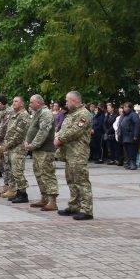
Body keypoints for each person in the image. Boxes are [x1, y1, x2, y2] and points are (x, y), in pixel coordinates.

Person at [55, 91, 93, 220]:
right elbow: (64, 129)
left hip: (78, 153)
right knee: (71, 180)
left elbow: (76, 130)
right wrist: (58, 136)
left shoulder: (84, 114)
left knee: (81, 181)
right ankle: (74, 206)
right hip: (69, 153)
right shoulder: (71, 114)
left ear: (74, 101)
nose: (65, 103)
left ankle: (87, 209)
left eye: (67, 101)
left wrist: (60, 139)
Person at [24, 94, 57, 211]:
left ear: (38, 103)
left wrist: (32, 145)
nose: (30, 104)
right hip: (37, 150)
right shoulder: (37, 113)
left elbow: (43, 132)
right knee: (39, 174)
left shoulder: (46, 113)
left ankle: (52, 201)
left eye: (31, 102)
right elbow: (32, 130)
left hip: (45, 150)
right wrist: (27, 142)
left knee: (47, 175)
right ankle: (44, 198)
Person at [118, 102, 140, 169]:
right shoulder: (125, 116)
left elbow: (137, 125)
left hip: (131, 137)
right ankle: (129, 164)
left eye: (126, 107)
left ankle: (133, 164)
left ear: (130, 108)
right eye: (124, 107)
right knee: (127, 152)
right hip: (125, 137)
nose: (124, 108)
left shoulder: (134, 115)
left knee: (132, 151)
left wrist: (135, 135)